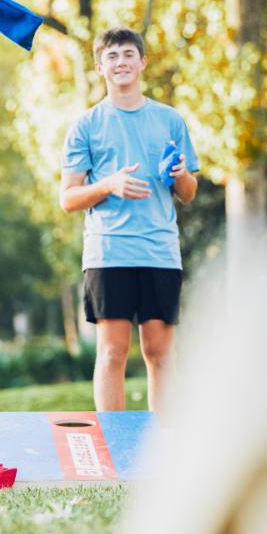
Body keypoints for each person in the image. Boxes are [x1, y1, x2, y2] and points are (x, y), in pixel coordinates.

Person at [60, 27, 199, 416]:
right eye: (112, 56)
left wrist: (180, 176)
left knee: (159, 353)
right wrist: (109, 184)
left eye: (127, 54)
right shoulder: (86, 125)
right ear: (99, 66)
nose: (120, 62)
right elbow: (68, 198)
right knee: (112, 352)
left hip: (160, 252)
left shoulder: (170, 121)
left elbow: (188, 193)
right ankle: (114, 454)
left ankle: (164, 448)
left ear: (142, 62)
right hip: (109, 252)